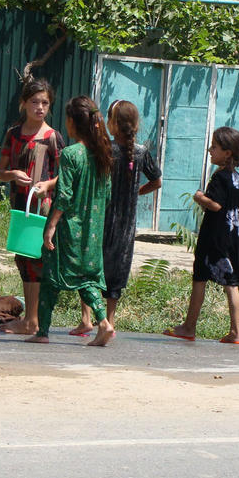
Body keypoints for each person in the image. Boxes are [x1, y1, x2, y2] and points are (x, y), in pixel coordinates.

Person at [27, 95, 114, 346]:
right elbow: (107, 195)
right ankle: (104, 323)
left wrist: (51, 225)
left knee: (51, 277)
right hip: (93, 227)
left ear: (73, 123)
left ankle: (42, 332)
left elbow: (63, 195)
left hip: (70, 227)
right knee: (86, 279)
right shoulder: (103, 155)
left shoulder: (71, 154)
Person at [72, 99, 162, 336]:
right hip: (126, 223)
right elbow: (157, 181)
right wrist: (137, 192)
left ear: (112, 124)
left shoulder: (105, 150)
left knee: (89, 266)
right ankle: (110, 321)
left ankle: (86, 319)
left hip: (100, 218)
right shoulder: (141, 153)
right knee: (117, 271)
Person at [163, 126, 239, 344]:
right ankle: (236, 332)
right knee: (231, 282)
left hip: (214, 238)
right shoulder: (236, 177)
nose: (210, 150)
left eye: (214, 147)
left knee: (200, 277)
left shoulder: (219, 177)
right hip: (232, 237)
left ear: (227, 153)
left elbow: (216, 205)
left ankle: (189, 327)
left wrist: (199, 197)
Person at [0, 78, 64, 335]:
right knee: (22, 258)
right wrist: (12, 173)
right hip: (20, 208)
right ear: (23, 103)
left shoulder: (53, 137)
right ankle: (30, 319)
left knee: (36, 261)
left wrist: (48, 184)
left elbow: (65, 176)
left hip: (43, 211)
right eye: (34, 102)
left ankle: (33, 321)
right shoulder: (14, 134)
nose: (40, 107)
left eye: (45, 102)